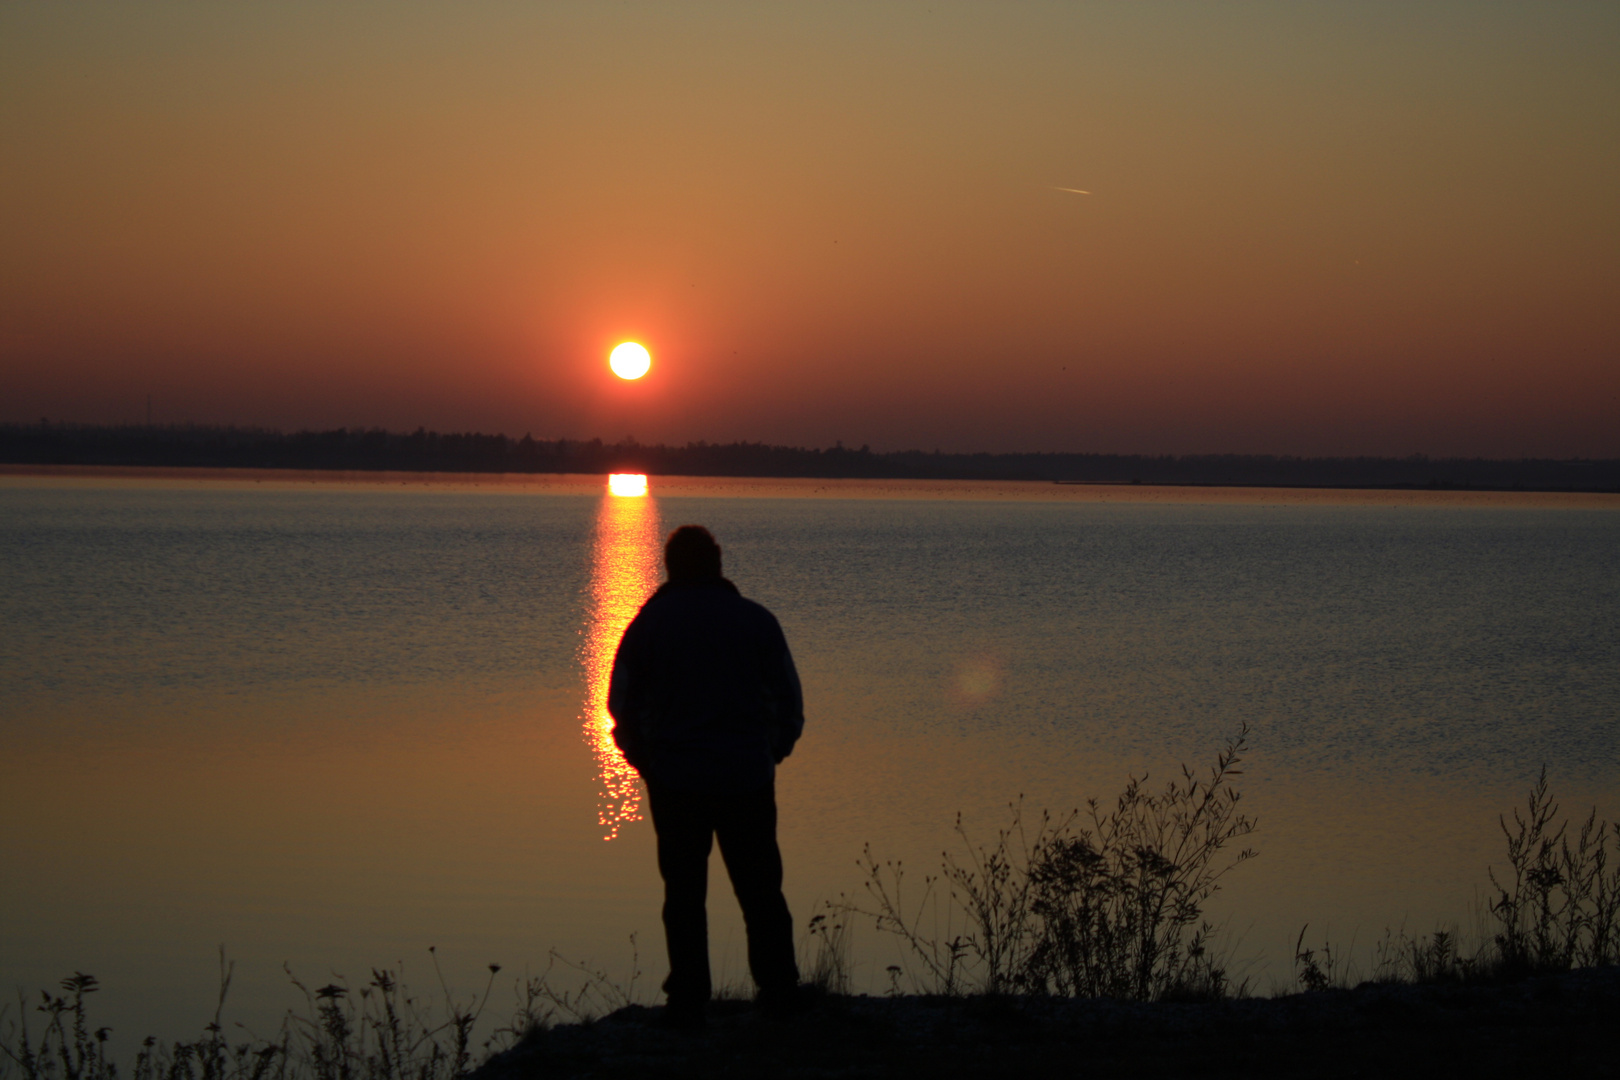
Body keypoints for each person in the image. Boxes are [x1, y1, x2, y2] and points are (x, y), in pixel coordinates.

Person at [607, 525, 804, 1028]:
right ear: (718, 564)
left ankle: (690, 999)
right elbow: (789, 702)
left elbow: (622, 710)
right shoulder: (756, 621)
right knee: (761, 890)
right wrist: (769, 754)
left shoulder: (647, 625)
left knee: (684, 895)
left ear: (670, 566)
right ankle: (780, 992)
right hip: (746, 778)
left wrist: (649, 766)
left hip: (677, 782)